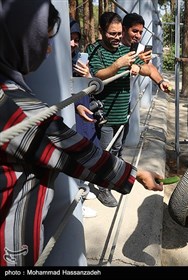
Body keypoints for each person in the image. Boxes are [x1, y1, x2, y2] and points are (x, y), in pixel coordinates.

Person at [0, 0, 163, 266]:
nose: (50, 49)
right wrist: (135, 175)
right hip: (9, 245)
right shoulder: (14, 106)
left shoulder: (11, 88)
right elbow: (71, 149)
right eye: (42, 39)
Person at [86, 12, 152, 208]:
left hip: (123, 112)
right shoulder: (95, 50)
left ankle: (114, 178)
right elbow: (99, 75)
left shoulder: (126, 50)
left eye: (118, 33)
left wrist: (140, 67)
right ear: (101, 31)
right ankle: (103, 188)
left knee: (117, 149)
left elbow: (147, 69)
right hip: (105, 114)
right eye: (111, 33)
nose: (116, 38)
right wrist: (119, 64)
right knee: (105, 152)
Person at [70, 18, 98, 218]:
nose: (73, 44)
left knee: (86, 148)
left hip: (84, 112)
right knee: (73, 156)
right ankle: (75, 203)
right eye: (69, 39)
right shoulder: (52, 63)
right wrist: (75, 104)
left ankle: (82, 188)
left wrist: (88, 75)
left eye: (76, 39)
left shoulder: (76, 59)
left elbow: (92, 85)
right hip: (70, 117)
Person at [121, 12, 171, 94]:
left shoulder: (140, 48)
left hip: (127, 100)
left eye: (140, 32)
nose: (138, 36)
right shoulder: (114, 46)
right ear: (124, 29)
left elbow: (150, 67)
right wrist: (138, 61)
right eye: (135, 31)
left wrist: (161, 82)